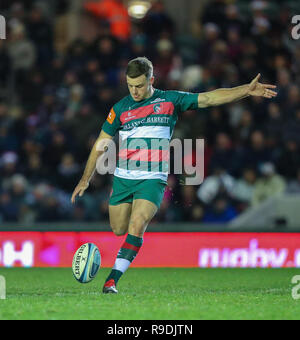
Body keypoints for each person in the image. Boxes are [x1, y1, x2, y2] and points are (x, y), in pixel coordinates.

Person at [71, 57, 277, 293]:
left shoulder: (170, 100)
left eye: (139, 85)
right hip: (123, 178)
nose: (134, 91)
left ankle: (112, 280)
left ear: (151, 80)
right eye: (130, 86)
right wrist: (85, 178)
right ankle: (124, 251)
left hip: (153, 179)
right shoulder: (119, 109)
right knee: (119, 229)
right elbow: (101, 143)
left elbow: (209, 98)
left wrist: (245, 91)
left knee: (137, 224)